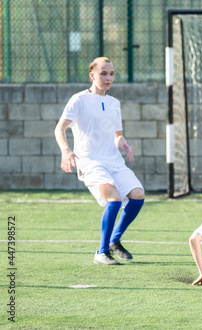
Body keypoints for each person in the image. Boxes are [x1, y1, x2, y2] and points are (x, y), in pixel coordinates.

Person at [54, 57, 145, 265]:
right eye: (104, 73)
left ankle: (115, 241)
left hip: (114, 161)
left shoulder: (114, 103)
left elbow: (117, 134)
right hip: (89, 161)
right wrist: (66, 150)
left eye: (111, 74)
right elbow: (60, 128)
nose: (108, 78)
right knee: (113, 199)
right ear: (92, 75)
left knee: (138, 195)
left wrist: (124, 144)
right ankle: (101, 252)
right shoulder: (78, 100)